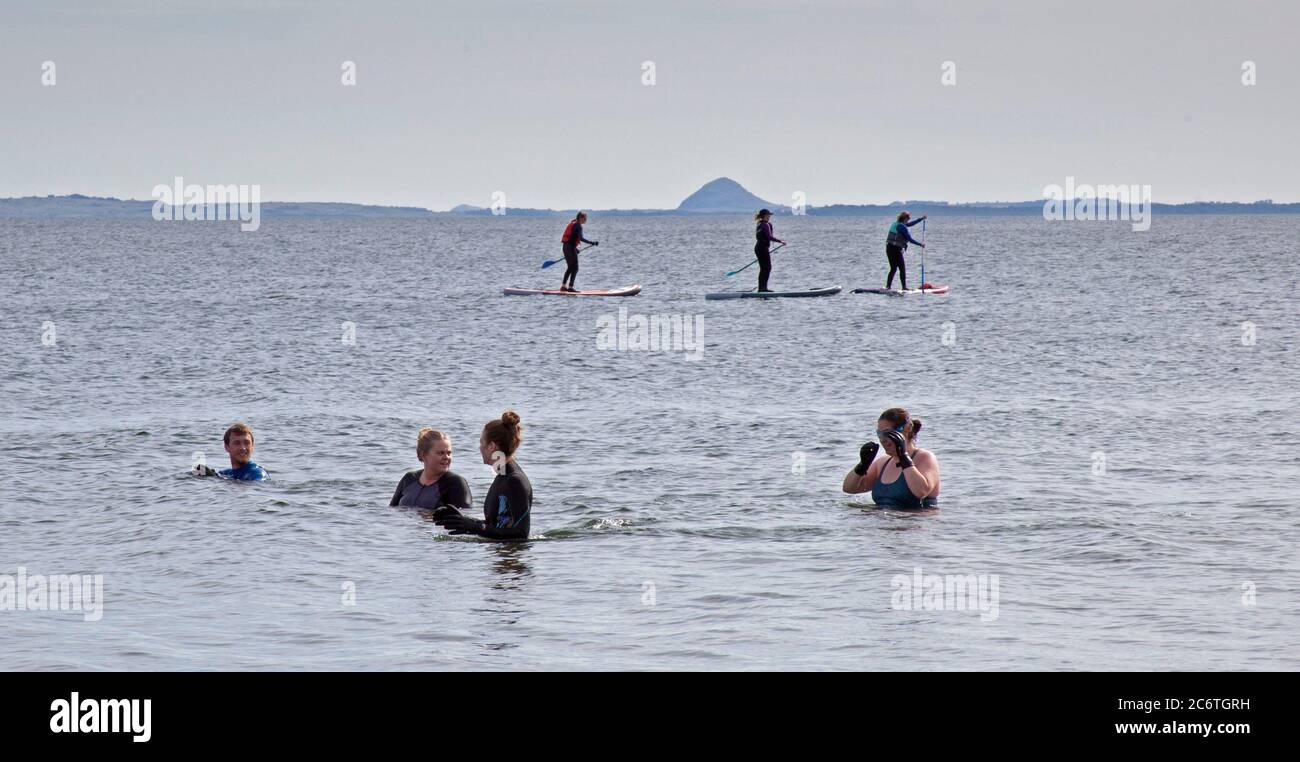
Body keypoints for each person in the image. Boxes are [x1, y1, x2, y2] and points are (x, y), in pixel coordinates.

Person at [434, 411, 532, 540]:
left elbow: (521, 533)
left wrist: (474, 527)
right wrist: (463, 521)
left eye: (481, 443)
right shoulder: (502, 476)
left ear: (491, 446)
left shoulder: (514, 480)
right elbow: (495, 524)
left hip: (511, 557)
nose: (480, 447)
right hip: (500, 555)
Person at [841, 408, 939, 509]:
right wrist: (862, 465)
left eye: (888, 433)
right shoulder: (882, 463)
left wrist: (903, 457)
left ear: (906, 429)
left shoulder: (925, 457)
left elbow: (921, 491)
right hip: (885, 521)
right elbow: (849, 488)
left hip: (913, 521)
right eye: (879, 434)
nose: (882, 439)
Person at [389, 428, 473, 511]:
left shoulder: (456, 483)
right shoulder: (409, 478)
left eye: (449, 453)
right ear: (424, 455)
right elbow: (391, 510)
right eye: (440, 453)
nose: (446, 457)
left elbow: (465, 517)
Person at [884, 211, 926, 290]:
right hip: (895, 249)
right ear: (905, 218)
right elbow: (909, 239)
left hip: (889, 248)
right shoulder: (902, 227)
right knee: (902, 268)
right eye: (908, 218)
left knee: (893, 268)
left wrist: (921, 219)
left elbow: (910, 224)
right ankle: (904, 287)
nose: (909, 220)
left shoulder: (896, 224)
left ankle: (888, 286)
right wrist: (920, 244)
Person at [559, 212, 598, 292]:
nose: (586, 220)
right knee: (575, 268)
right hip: (570, 248)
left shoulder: (574, 223)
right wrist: (592, 243)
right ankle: (570, 287)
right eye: (585, 218)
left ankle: (563, 286)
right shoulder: (578, 226)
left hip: (565, 247)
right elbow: (581, 238)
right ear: (581, 218)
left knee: (570, 267)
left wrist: (575, 249)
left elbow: (572, 238)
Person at [754, 208, 785, 293]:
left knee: (764, 268)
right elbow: (769, 237)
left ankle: (761, 288)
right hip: (762, 248)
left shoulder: (759, 223)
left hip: (758, 248)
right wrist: (780, 241)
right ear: (765, 215)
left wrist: (770, 227)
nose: (770, 216)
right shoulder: (765, 225)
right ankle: (763, 289)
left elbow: (767, 235)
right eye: (768, 215)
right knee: (767, 268)